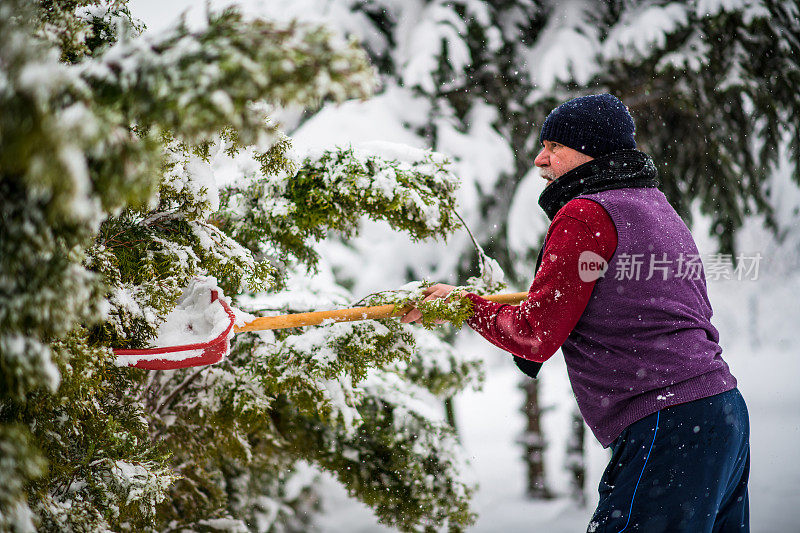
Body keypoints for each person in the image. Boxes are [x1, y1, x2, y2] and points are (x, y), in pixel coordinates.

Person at [401, 94, 750, 532]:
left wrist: (460, 306)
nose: (538, 159)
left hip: (666, 422)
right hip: (721, 412)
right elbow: (633, 292)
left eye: (553, 147)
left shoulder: (585, 215)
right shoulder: (654, 205)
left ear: (590, 151)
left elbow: (535, 334)